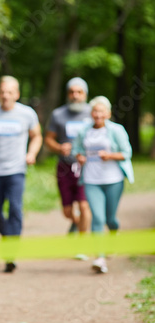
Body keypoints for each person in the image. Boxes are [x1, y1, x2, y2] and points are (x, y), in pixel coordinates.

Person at [0, 75, 43, 273]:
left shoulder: (27, 113)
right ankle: (7, 236)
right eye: (2, 92)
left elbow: (37, 136)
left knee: (15, 207)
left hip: (16, 170)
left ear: (17, 94)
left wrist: (31, 153)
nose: (6, 96)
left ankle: (10, 252)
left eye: (10, 92)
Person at [72, 96, 134, 274]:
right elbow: (76, 150)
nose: (98, 114)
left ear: (108, 113)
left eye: (101, 111)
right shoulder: (84, 131)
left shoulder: (116, 130)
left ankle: (114, 232)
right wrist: (79, 156)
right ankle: (100, 257)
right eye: (95, 111)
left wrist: (110, 156)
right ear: (91, 113)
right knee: (97, 218)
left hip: (113, 180)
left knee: (110, 219)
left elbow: (126, 153)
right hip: (91, 180)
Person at [45, 77, 92, 237]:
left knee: (84, 206)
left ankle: (82, 243)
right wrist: (59, 147)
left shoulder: (93, 113)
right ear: (67, 94)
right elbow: (48, 139)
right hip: (64, 167)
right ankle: (78, 223)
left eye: (79, 92)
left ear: (85, 94)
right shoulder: (58, 114)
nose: (75, 95)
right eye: (72, 92)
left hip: (86, 167)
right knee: (67, 211)